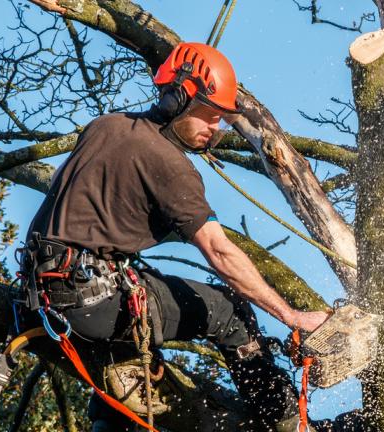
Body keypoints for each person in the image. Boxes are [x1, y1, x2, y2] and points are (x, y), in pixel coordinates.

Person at [23, 42, 330, 431]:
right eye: (208, 116)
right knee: (230, 312)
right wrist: (293, 317)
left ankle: (108, 423)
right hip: (91, 301)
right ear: (178, 99)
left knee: (131, 351)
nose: (214, 130)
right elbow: (219, 251)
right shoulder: (169, 164)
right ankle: (287, 423)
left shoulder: (105, 127)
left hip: (38, 296)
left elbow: (82, 203)